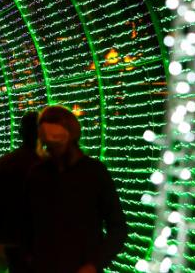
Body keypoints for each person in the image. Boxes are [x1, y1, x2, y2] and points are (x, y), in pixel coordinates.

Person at [23, 106, 128, 273]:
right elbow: (28, 223)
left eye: (55, 144)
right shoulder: (38, 174)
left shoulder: (93, 173)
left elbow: (118, 228)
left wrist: (93, 264)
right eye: (48, 146)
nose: (52, 150)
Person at [0, 112, 39, 273]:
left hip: (12, 239)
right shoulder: (51, 163)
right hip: (44, 241)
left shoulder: (6, 163)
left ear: (20, 133)